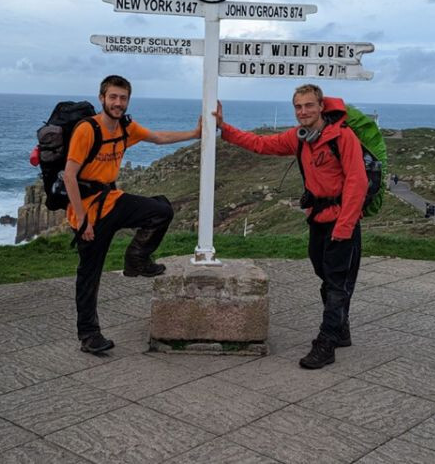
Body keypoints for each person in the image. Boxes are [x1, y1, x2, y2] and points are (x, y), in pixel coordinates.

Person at [214, 84, 367, 369]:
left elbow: (358, 182)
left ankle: (327, 341)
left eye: (309, 105)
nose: (303, 112)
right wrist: (225, 128)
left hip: (341, 220)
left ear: (322, 106)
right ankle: (341, 327)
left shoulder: (342, 138)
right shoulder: (299, 138)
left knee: (336, 282)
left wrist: (344, 227)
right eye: (298, 107)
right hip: (318, 219)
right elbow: (261, 144)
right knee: (325, 275)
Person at [64, 75, 201, 354]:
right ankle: (89, 336)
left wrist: (194, 134)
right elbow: (69, 176)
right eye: (113, 97)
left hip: (112, 199)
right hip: (89, 211)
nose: (118, 103)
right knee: (89, 276)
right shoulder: (87, 130)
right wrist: (83, 221)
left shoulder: (126, 128)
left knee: (161, 210)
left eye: (122, 98)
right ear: (102, 98)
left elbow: (158, 137)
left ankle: (136, 260)